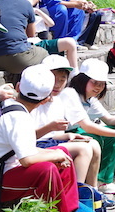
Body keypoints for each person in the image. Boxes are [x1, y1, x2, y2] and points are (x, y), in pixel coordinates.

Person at [0, 64, 79, 212]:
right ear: (46, 99)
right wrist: (54, 156)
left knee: (63, 152)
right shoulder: (19, 117)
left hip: (7, 171)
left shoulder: (14, 107)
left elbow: (27, 150)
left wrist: (57, 154)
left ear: (17, 88)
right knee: (48, 169)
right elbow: (27, 160)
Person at [65, 58, 115, 194]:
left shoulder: (90, 99)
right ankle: (94, 183)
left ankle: (103, 181)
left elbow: (109, 120)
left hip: (79, 131)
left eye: (101, 84)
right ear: (82, 80)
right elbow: (88, 127)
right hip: (67, 134)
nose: (98, 87)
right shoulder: (71, 94)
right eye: (94, 83)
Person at [31, 55, 102, 187]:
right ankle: (77, 194)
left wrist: (68, 135)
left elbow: (53, 135)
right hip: (36, 146)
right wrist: (51, 127)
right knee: (83, 149)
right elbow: (29, 137)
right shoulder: (33, 100)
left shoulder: (58, 100)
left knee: (94, 144)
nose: (57, 85)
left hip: (50, 141)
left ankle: (93, 190)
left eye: (62, 79)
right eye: (53, 79)